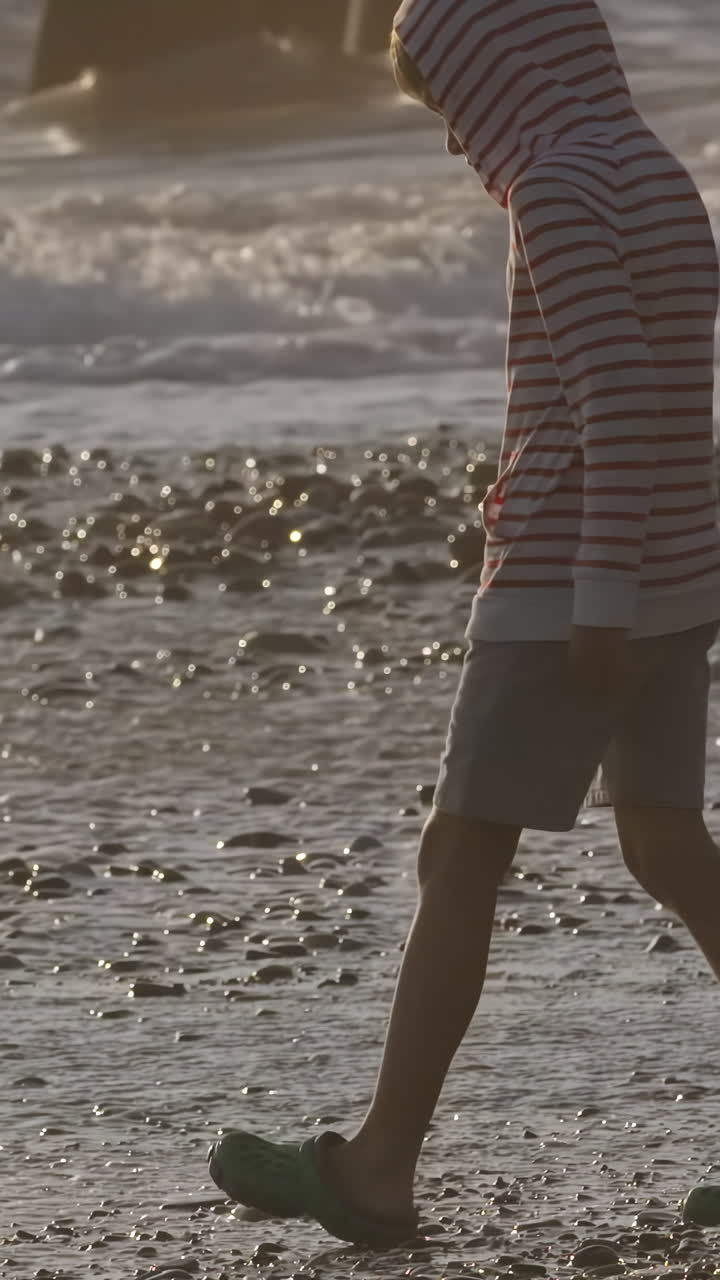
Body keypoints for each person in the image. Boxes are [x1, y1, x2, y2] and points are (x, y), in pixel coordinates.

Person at [207, 0, 720, 1248]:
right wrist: (650, 582)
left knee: (461, 855)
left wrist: (596, 591)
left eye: (450, 108)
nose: (454, 145)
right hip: (681, 566)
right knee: (661, 841)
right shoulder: (655, 167)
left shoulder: (551, 182)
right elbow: (672, 387)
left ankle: (379, 1164)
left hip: (571, 583)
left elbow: (610, 389)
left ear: (495, 76)